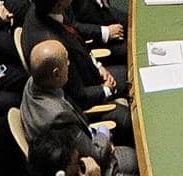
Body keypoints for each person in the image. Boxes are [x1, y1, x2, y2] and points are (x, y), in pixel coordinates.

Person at [23, 37, 134, 175]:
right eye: (66, 60)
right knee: (133, 159)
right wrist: (104, 132)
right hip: (86, 166)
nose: (69, 64)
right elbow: (97, 154)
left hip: (68, 151)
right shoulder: (58, 116)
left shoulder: (34, 81)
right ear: (56, 73)